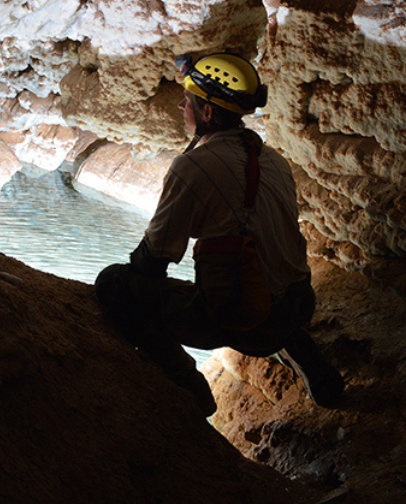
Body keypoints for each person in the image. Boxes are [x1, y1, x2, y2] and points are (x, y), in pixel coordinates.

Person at [95, 52, 344, 417]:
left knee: (115, 283)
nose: (181, 104)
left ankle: (189, 386)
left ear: (207, 113)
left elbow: (153, 260)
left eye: (188, 99)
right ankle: (315, 368)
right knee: (261, 280)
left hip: (254, 321)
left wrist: (140, 268)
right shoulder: (272, 158)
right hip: (300, 303)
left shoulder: (193, 165)